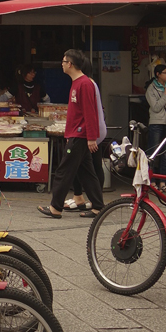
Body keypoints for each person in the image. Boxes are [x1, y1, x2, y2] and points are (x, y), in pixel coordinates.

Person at [38, 48, 104, 219]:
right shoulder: (77, 83)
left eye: (63, 60)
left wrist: (91, 137)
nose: (61, 64)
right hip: (78, 134)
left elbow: (90, 112)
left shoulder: (84, 84)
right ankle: (98, 207)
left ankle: (55, 207)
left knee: (64, 171)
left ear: (71, 64)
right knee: (87, 173)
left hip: (80, 135)